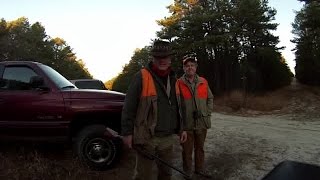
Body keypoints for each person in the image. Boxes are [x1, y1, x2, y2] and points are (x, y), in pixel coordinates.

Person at [121, 40, 187, 180]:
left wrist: (183, 128)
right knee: (143, 175)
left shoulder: (174, 79)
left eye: (166, 57)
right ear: (153, 58)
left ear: (170, 59)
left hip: (167, 137)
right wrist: (127, 133)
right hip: (147, 138)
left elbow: (180, 107)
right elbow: (129, 107)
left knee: (166, 174)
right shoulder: (141, 76)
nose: (162, 60)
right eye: (159, 57)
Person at [176, 56, 214, 178]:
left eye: (192, 65)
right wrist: (180, 124)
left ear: (196, 67)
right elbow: (176, 105)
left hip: (202, 123)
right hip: (187, 125)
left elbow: (210, 98)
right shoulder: (178, 83)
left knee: (200, 148)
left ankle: (200, 169)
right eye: (187, 66)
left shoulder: (203, 81)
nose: (190, 67)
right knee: (186, 151)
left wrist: (207, 113)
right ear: (184, 68)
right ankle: (187, 172)